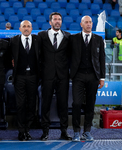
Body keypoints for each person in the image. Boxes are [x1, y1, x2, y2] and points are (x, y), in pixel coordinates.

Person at [70, 16, 105, 141]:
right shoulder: (73, 39)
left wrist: (102, 78)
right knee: (76, 103)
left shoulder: (99, 39)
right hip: (78, 76)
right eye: (86, 22)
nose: (89, 24)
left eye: (90, 22)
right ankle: (75, 132)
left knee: (90, 105)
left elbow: (101, 59)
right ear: (81, 24)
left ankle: (87, 131)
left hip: (93, 76)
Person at [38, 12, 71, 141]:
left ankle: (64, 131)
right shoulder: (42, 36)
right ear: (50, 22)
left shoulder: (68, 36)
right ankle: (45, 132)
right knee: (45, 104)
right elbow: (38, 55)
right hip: (47, 76)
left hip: (63, 76)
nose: (57, 21)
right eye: (55, 19)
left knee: (63, 104)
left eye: (59, 19)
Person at [10, 20, 40, 141]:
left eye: (28, 26)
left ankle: (27, 129)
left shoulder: (38, 40)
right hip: (20, 77)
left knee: (32, 105)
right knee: (20, 104)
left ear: (32, 28)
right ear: (20, 28)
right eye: (24, 26)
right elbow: (9, 56)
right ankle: (21, 131)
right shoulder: (13, 40)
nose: (26, 28)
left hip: (33, 77)